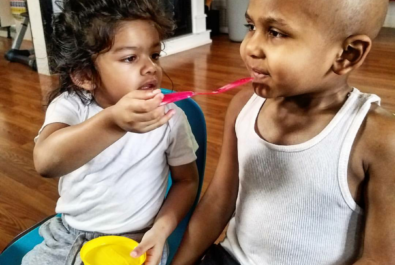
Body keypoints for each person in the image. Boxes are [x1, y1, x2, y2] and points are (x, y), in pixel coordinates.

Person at [172, 0, 395, 264]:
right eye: (250, 26)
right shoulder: (243, 107)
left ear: (347, 54)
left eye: (276, 33)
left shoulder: (378, 139)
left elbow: (379, 258)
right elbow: (219, 199)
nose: (250, 47)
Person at [22, 0, 199, 265]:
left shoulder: (170, 117)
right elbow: (46, 162)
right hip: (71, 237)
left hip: (137, 240)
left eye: (154, 55)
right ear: (85, 76)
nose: (151, 67)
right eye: (130, 58)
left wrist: (161, 229)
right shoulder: (71, 106)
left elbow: (187, 181)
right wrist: (113, 122)